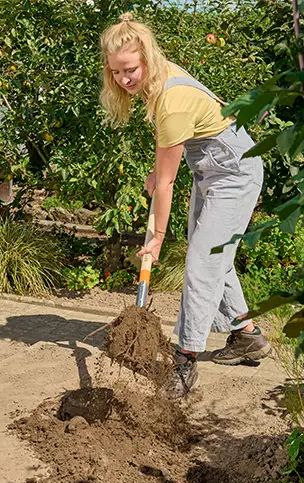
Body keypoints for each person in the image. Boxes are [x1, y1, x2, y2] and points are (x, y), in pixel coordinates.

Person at [99, 12, 271, 397]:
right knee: (212, 258)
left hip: (234, 172)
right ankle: (247, 334)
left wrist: (157, 237)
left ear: (147, 57)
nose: (124, 80)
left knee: (200, 264)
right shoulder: (157, 82)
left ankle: (185, 359)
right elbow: (168, 162)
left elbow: (167, 181)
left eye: (130, 69)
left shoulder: (171, 100)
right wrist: (157, 176)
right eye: (116, 73)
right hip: (210, 167)